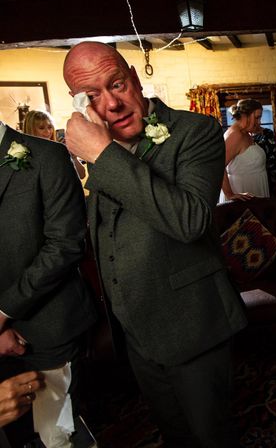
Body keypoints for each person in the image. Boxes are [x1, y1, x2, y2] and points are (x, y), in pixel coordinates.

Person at [63, 41, 247, 447]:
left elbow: (191, 221)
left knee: (211, 437)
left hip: (192, 324)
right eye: (92, 96)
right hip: (135, 332)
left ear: (133, 75)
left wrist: (102, 153)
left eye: (116, 84)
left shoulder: (195, 131)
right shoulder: (95, 147)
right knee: (174, 434)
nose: (111, 103)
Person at [0, 120, 96, 445]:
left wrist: (2, 312)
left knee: (56, 434)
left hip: (48, 327)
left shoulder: (47, 156)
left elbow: (65, 244)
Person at [220, 99, 270, 202]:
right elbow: (218, 165)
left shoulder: (245, 133)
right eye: (257, 117)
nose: (259, 122)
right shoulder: (235, 135)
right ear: (245, 115)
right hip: (242, 190)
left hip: (254, 189)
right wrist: (230, 194)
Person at [23, 110, 86, 178]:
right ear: (30, 129)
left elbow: (81, 175)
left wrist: (73, 158)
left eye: (50, 127)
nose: (48, 132)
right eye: (41, 128)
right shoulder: (25, 153)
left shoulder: (57, 148)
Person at [250, 124, 276, 197]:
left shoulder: (268, 133)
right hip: (250, 173)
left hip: (268, 172)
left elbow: (274, 156)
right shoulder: (243, 137)